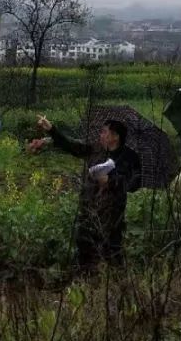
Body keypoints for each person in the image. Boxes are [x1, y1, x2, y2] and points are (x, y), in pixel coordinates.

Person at [31, 115, 142, 272]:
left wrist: (111, 182)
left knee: (111, 250)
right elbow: (70, 145)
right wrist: (51, 129)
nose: (101, 135)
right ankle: (85, 277)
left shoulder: (129, 157)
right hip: (88, 208)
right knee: (84, 246)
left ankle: (115, 281)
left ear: (115, 137)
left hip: (112, 215)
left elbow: (134, 184)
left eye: (104, 132)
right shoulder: (95, 149)